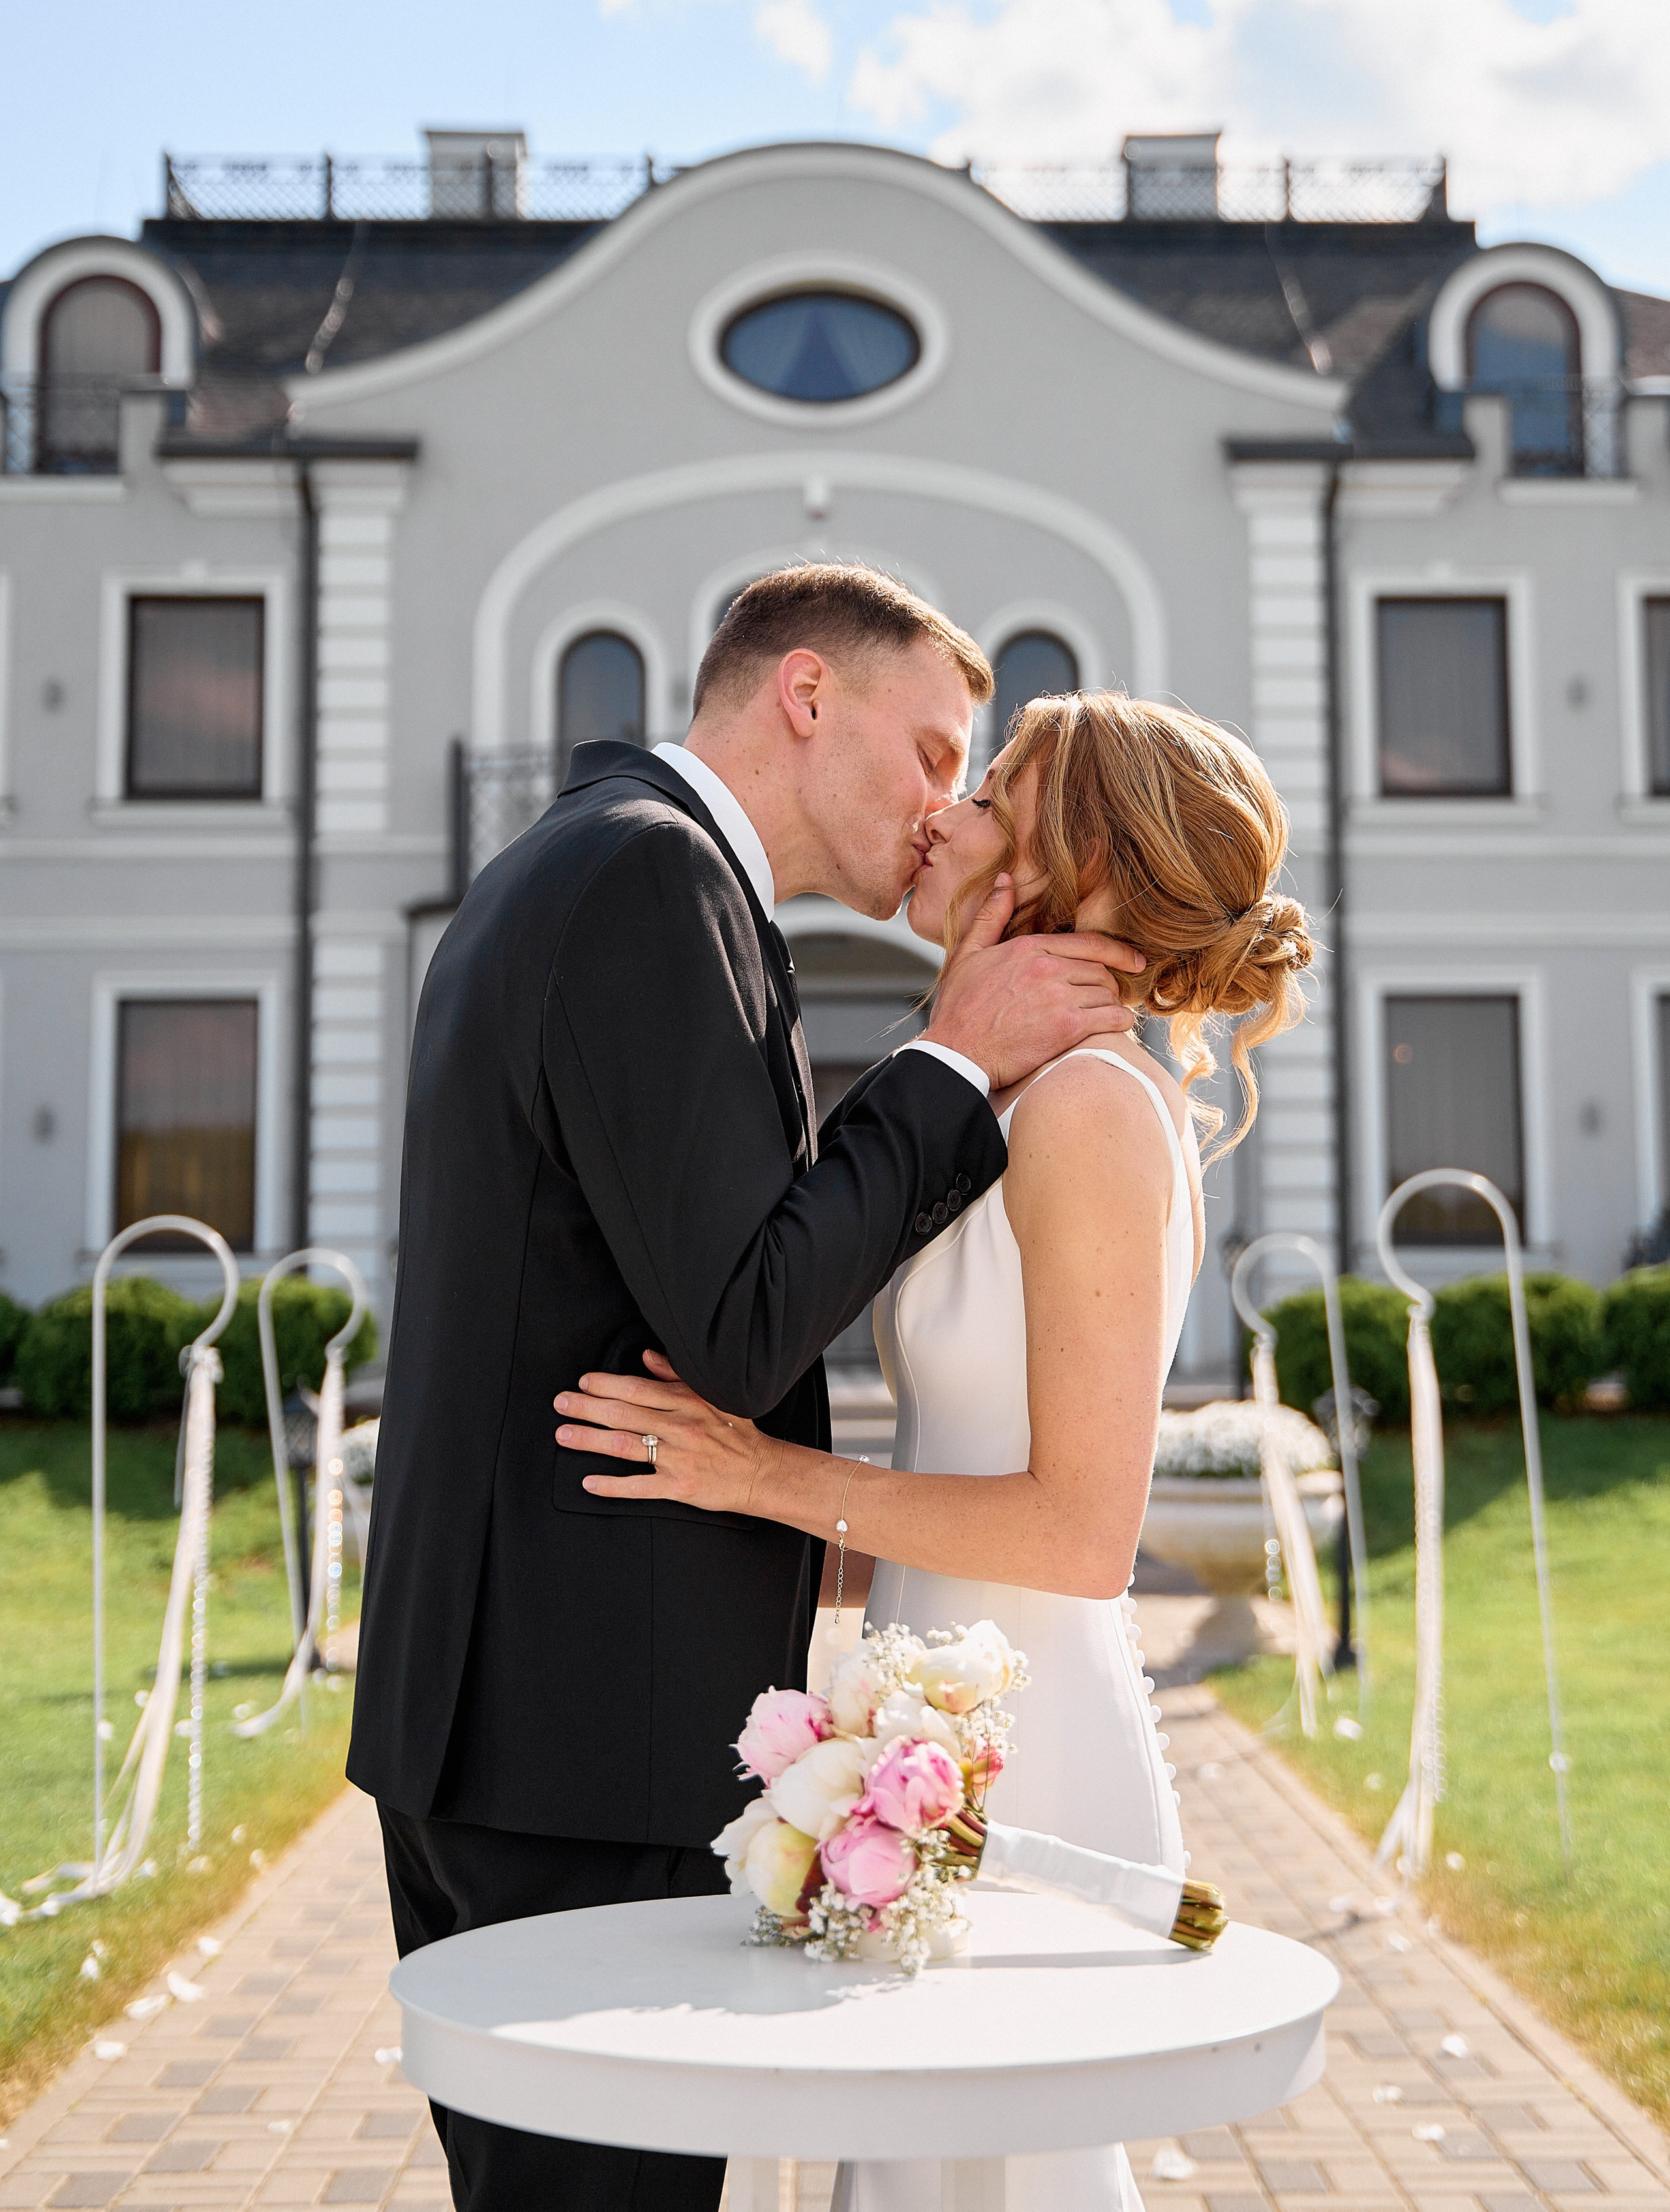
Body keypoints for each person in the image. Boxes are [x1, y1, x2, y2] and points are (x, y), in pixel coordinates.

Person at [348, 565, 1146, 2212]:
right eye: (932, 752)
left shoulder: (591, 863)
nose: (940, 808)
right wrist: (946, 1059)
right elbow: (740, 1318)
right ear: (805, 694)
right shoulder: (652, 878)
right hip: (577, 1748)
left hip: (515, 1725)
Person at [557, 688, 1315, 2212]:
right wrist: (719, 1543)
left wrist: (754, 1474)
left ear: (1066, 866)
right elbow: (959, 1473)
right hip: (923, 1722)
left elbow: (1079, 1538)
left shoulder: (1092, 1110)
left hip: (1026, 1750)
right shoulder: (1010, 1095)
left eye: (985, 796)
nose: (938, 815)